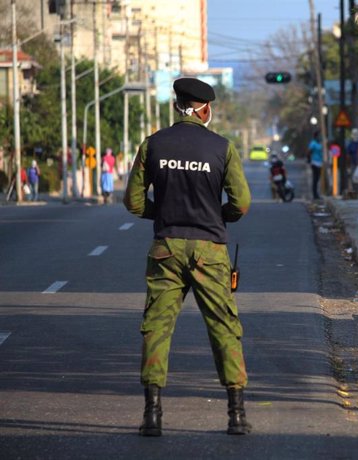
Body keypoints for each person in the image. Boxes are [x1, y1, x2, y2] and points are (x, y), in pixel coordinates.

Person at [124, 77, 252, 436]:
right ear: (205, 110)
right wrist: (216, 215)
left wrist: (165, 212)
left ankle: (152, 414)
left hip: (166, 248)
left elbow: (133, 203)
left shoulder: (153, 145)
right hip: (210, 250)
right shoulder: (222, 148)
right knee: (224, 326)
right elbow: (240, 203)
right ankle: (236, 415)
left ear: (176, 107)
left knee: (157, 327)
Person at [307, 131, 323, 200]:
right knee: (315, 179)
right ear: (316, 136)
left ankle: (317, 194)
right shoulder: (313, 143)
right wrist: (309, 161)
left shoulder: (319, 143)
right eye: (318, 136)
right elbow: (309, 152)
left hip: (319, 162)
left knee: (318, 179)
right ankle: (315, 194)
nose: (319, 137)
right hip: (314, 162)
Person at [346, 128, 358, 196]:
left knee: (356, 178)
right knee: (357, 178)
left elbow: (348, 156)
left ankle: (357, 191)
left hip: (357, 164)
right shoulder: (352, 144)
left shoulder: (352, 144)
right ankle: (357, 191)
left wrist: (348, 165)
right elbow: (348, 156)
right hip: (356, 163)